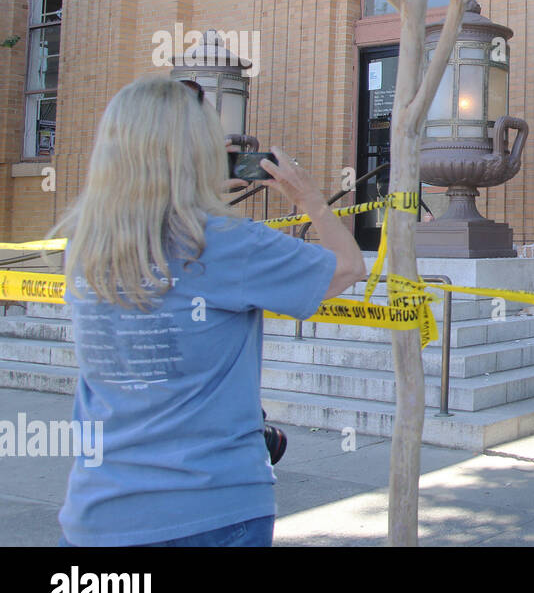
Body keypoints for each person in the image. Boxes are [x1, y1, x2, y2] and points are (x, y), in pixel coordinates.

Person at [53, 74, 367, 547]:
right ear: (197, 151)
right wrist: (309, 199)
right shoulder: (225, 244)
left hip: (96, 515)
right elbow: (347, 267)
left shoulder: (84, 247)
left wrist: (194, 196)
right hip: (210, 512)